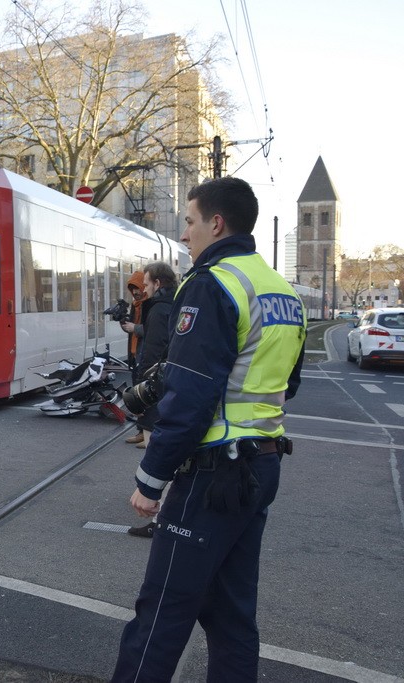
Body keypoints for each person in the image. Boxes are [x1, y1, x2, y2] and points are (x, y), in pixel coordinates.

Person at [112, 176, 306, 682]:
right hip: (262, 464)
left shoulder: (211, 282)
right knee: (231, 615)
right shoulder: (280, 290)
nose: (184, 236)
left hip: (213, 474)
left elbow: (190, 393)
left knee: (161, 614)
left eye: (190, 223)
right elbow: (291, 383)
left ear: (216, 223)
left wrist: (150, 479)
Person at [120, 262, 176, 539]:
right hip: (169, 382)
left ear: (157, 283)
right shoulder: (173, 303)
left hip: (158, 385)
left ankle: (159, 512)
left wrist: (144, 383)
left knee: (156, 445)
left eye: (147, 282)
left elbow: (154, 349)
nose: (144, 287)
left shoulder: (159, 309)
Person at [120, 271, 146, 445]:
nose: (135, 292)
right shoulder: (135, 305)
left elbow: (154, 329)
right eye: (132, 289)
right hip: (135, 354)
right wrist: (123, 322)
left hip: (145, 355)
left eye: (137, 288)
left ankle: (144, 432)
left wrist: (135, 328)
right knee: (138, 396)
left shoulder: (150, 305)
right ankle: (142, 431)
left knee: (143, 396)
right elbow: (130, 330)